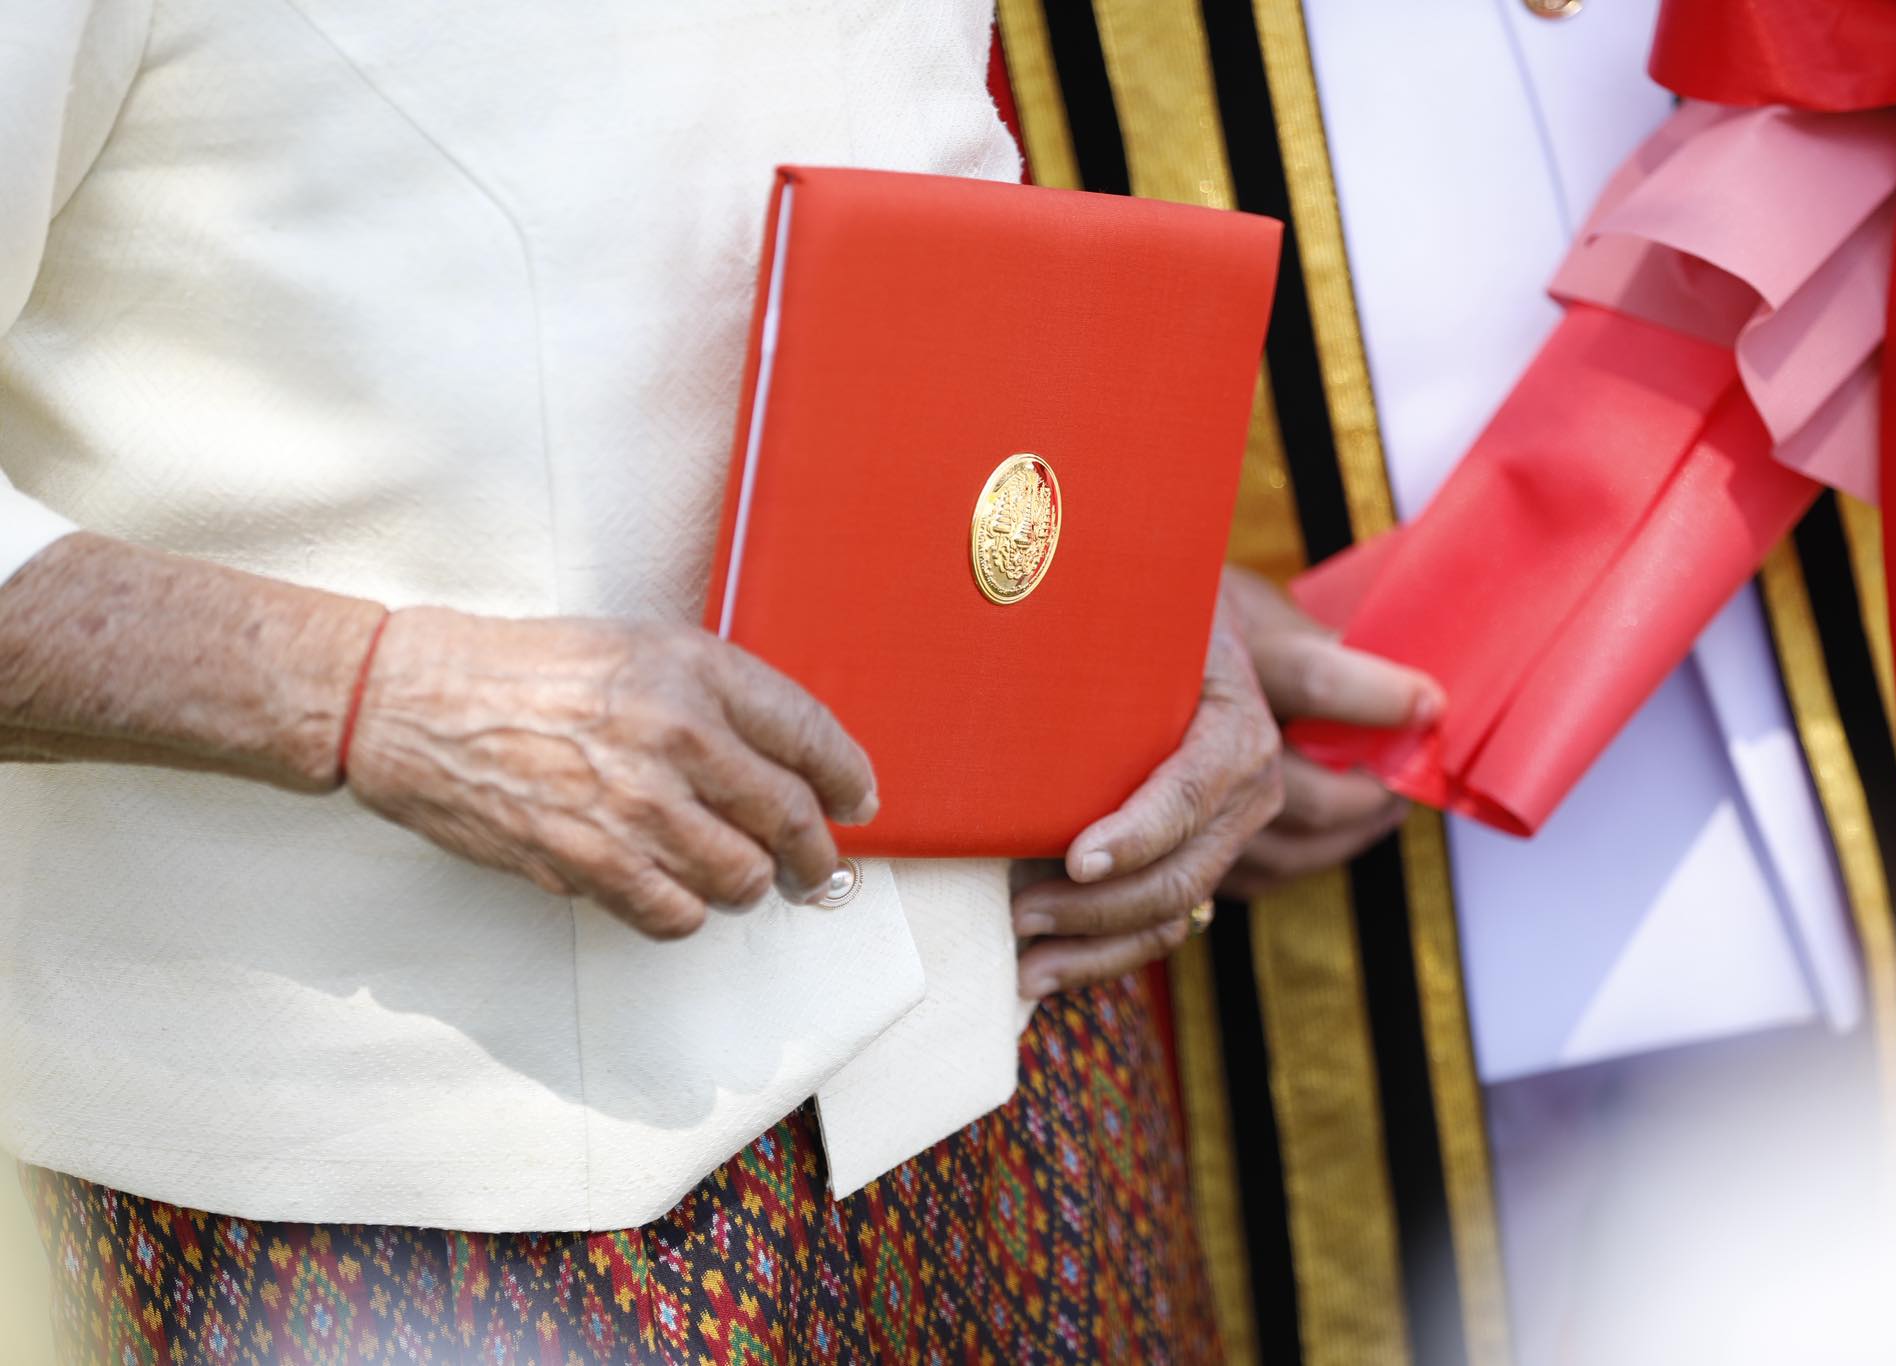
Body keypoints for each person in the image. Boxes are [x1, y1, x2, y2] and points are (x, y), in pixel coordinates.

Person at [0, 3, 1442, 1361]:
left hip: (1008, 1056)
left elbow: (899, 190)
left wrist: (1131, 596)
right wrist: (377, 698)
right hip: (420, 1195)